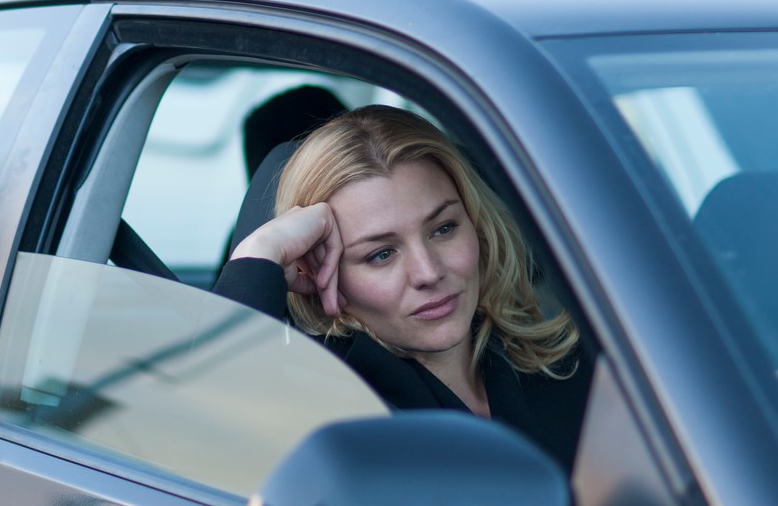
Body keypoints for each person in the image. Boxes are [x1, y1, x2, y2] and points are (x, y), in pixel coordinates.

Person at [214, 104, 592, 468]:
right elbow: (205, 424)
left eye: (443, 229)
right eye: (381, 254)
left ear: (478, 224)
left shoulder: (567, 367)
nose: (428, 272)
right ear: (319, 270)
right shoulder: (324, 419)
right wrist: (261, 251)